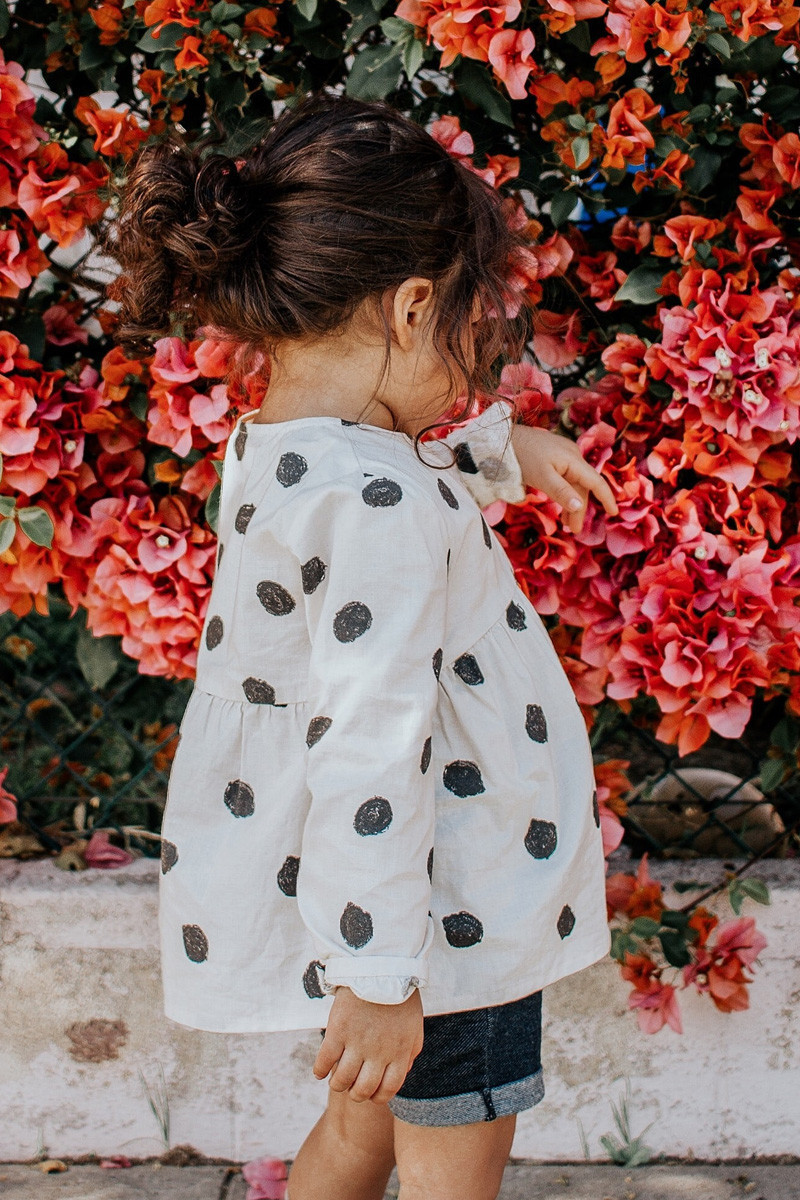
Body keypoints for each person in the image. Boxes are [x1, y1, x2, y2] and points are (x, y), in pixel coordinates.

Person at [109, 91, 619, 1200]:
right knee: (449, 1159)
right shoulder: (379, 507)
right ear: (412, 306)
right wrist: (383, 974)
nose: (482, 356)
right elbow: (371, 743)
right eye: (474, 322)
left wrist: (506, 447)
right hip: (440, 911)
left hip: (376, 912)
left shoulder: (281, 447)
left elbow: (389, 458)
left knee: (357, 1131)